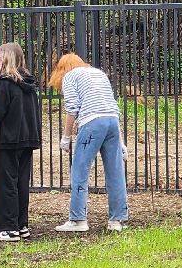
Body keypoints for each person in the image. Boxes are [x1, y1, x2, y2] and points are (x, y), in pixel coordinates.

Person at [49, 51, 127, 233]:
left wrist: (66, 137)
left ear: (62, 68)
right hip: (112, 123)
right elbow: (112, 107)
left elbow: (72, 108)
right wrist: (121, 142)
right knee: (115, 172)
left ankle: (78, 219)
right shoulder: (99, 74)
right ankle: (117, 220)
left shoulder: (69, 76)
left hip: (92, 125)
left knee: (79, 170)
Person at [0, 42, 41, 242]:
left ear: (6, 58)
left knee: (5, 183)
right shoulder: (29, 83)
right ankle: (21, 224)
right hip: (27, 138)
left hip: (8, 139)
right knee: (21, 183)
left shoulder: (4, 82)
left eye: (0, 56)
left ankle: (7, 228)